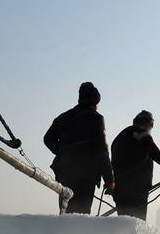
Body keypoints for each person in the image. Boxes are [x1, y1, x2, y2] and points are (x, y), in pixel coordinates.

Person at [43, 82, 115, 214]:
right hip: (85, 176)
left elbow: (47, 139)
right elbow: (102, 152)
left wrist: (63, 153)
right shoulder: (96, 118)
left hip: (64, 173)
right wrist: (110, 180)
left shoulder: (63, 117)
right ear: (95, 101)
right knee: (80, 217)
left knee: (66, 211)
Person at [110, 110, 160, 220]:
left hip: (119, 189)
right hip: (136, 189)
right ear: (147, 123)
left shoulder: (119, 138)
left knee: (123, 224)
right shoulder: (140, 132)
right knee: (136, 224)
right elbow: (153, 150)